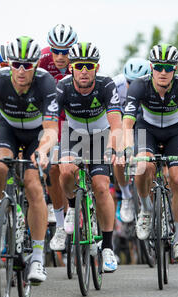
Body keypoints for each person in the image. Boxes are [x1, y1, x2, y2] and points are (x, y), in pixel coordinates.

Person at [0, 36, 59, 284]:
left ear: (36, 65)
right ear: (9, 64)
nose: (22, 70)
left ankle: (37, 258)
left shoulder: (46, 83)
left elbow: (50, 129)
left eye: (27, 64)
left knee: (34, 184)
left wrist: (44, 150)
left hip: (36, 133)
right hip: (8, 129)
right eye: (16, 64)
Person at [122, 43, 178, 262]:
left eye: (168, 67)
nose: (163, 72)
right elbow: (127, 124)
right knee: (143, 165)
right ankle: (145, 210)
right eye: (158, 67)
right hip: (147, 130)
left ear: (175, 69)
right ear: (151, 67)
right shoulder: (138, 85)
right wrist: (128, 148)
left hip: (175, 133)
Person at [56, 42, 121, 272]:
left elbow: (115, 124)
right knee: (64, 170)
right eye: (79, 65)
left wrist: (113, 148)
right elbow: (51, 120)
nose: (84, 70)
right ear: (71, 68)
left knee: (101, 186)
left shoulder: (106, 84)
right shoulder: (62, 87)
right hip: (72, 136)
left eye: (89, 66)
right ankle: (72, 206)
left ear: (97, 67)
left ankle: (108, 248)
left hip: (101, 137)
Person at [38, 24, 78, 251]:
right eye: (57, 50)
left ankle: (81, 201)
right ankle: (61, 226)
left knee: (72, 166)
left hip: (75, 118)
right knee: (52, 167)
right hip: (50, 118)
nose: (61, 56)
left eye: (66, 51)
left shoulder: (81, 62)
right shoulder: (43, 60)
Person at [112, 57, 151, 223]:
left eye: (138, 83)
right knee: (118, 157)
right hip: (122, 122)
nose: (133, 87)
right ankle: (126, 196)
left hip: (143, 124)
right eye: (130, 82)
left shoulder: (154, 85)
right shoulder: (116, 85)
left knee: (148, 158)